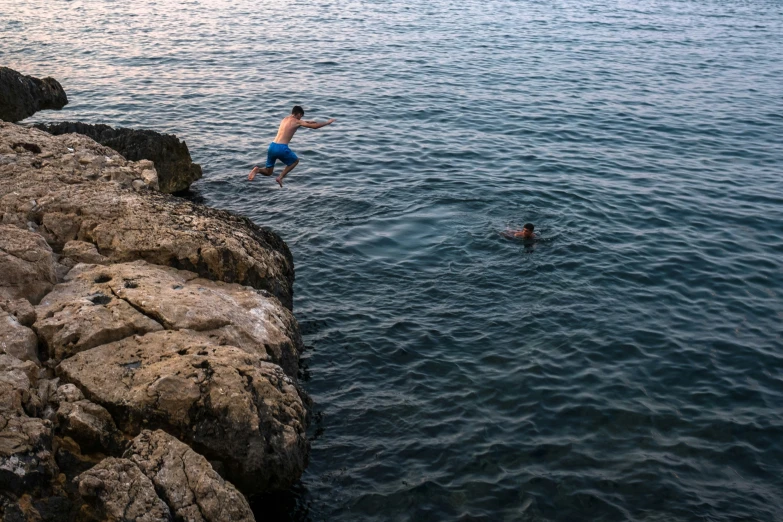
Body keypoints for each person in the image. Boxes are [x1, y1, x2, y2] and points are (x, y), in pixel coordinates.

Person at [248, 105, 336, 187]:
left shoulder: (285, 119)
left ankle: (257, 170)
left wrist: (308, 121)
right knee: (295, 161)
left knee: (269, 172)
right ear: (299, 114)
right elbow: (315, 127)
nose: (301, 118)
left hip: (272, 146)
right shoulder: (297, 121)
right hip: (281, 148)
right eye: (301, 116)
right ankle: (280, 177)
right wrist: (328, 122)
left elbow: (298, 123)